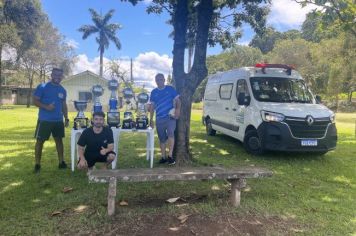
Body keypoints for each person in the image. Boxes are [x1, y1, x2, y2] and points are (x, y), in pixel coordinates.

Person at [33, 68, 69, 173]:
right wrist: (46, 107)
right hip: (45, 120)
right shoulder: (42, 87)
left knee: (59, 141)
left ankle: (61, 162)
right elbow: (35, 101)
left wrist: (66, 118)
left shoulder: (62, 90)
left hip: (58, 121)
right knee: (40, 141)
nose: (58, 77)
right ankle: (37, 164)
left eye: (60, 75)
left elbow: (63, 105)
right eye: (56, 74)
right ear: (52, 75)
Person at [149, 73, 181, 165]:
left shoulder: (170, 89)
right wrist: (151, 120)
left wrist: (178, 111)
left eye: (161, 79)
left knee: (171, 134)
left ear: (164, 80)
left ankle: (170, 156)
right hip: (159, 118)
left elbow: (178, 100)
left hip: (170, 117)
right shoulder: (154, 92)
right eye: (157, 80)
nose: (159, 81)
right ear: (155, 81)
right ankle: (163, 157)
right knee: (162, 138)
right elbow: (152, 106)